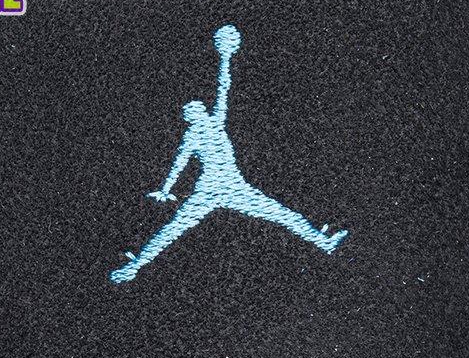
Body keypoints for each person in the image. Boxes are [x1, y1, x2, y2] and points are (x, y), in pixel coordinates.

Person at [111, 24, 348, 283]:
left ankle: (322, 242)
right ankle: (135, 266)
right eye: (193, 109)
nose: (198, 109)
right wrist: (166, 189)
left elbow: (223, 89)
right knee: (173, 230)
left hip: (228, 187)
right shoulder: (199, 132)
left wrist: (225, 58)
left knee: (281, 215)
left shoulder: (213, 124)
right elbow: (180, 163)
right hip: (215, 189)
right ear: (191, 117)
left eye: (198, 107)